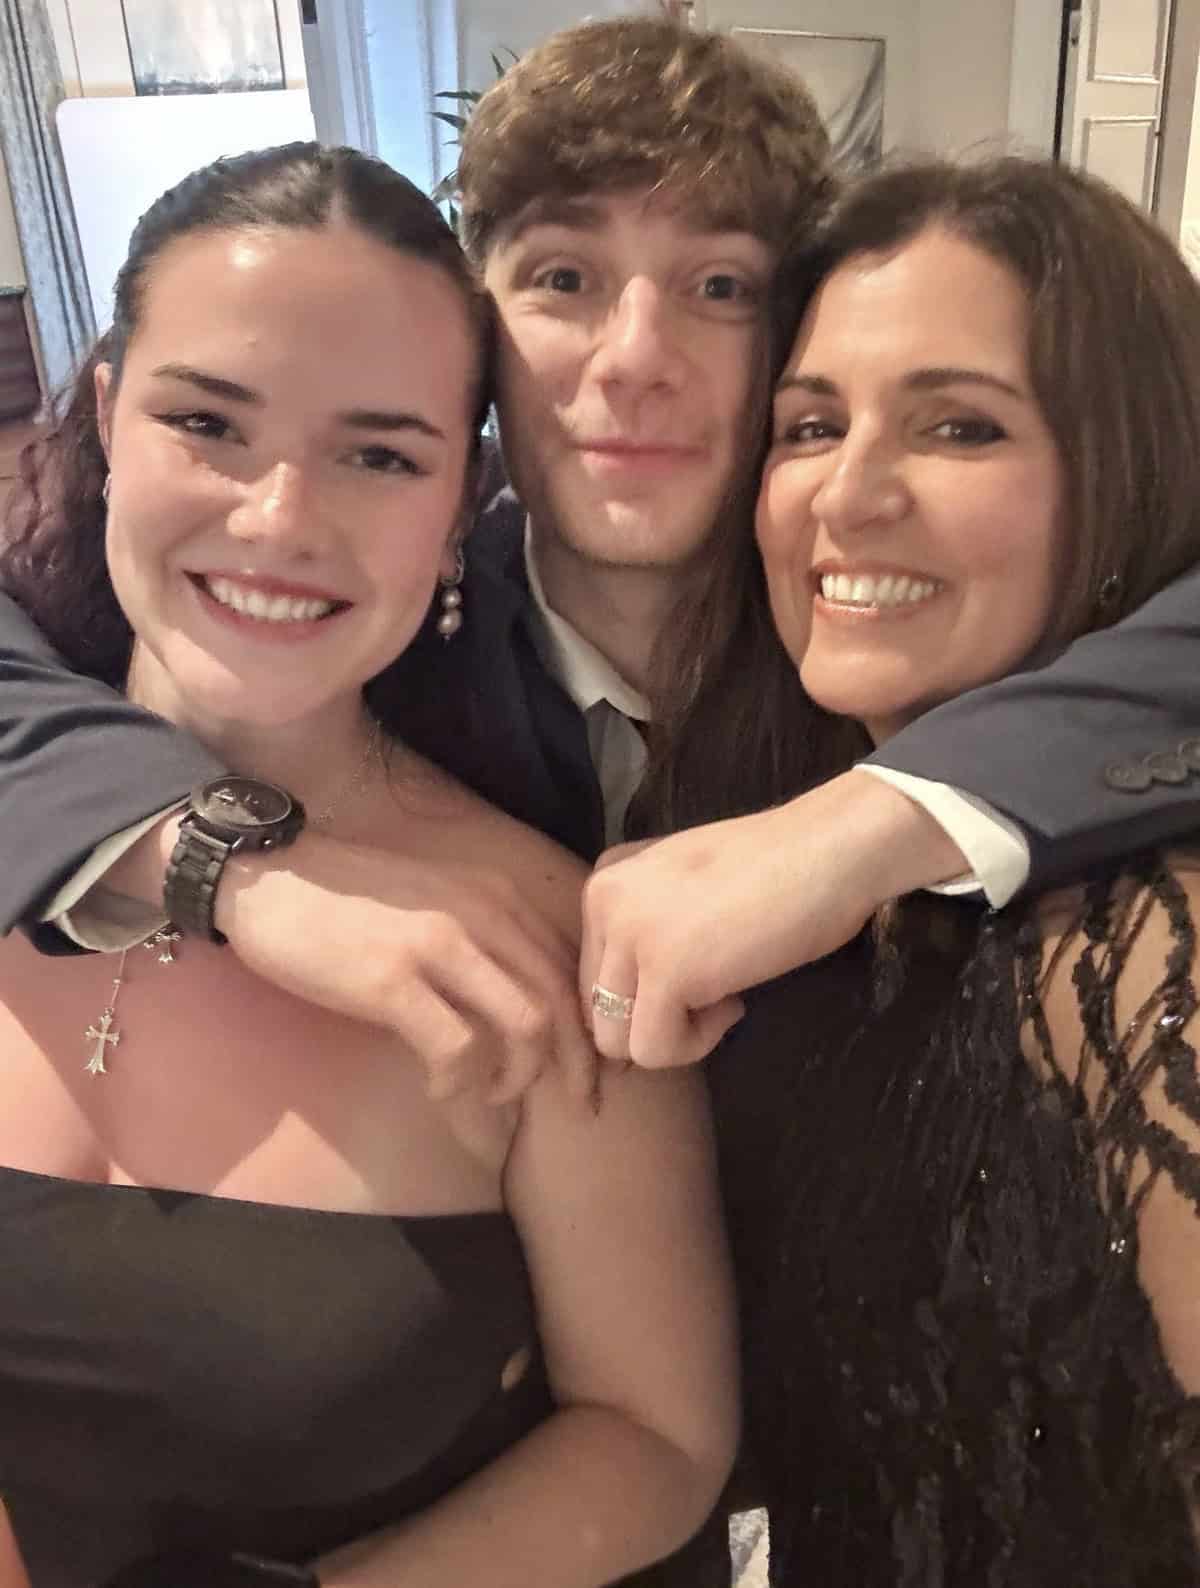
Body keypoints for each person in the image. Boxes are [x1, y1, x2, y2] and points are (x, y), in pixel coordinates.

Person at [1, 16, 1197, 1094]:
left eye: (717, 286)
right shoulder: (358, 616)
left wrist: (878, 818)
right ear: (476, 344)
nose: (634, 358)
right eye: (564, 278)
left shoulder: (865, 633)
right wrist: (227, 866)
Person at [0, 142, 737, 1588]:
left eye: (378, 453)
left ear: (459, 498)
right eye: (209, 423)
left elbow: (656, 1436)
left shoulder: (543, 934)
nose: (280, 519)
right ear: (105, 413)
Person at [702, 156, 1200, 1584]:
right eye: (810, 427)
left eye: (960, 428)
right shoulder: (785, 849)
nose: (848, 496)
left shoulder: (1138, 954)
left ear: (1124, 468)